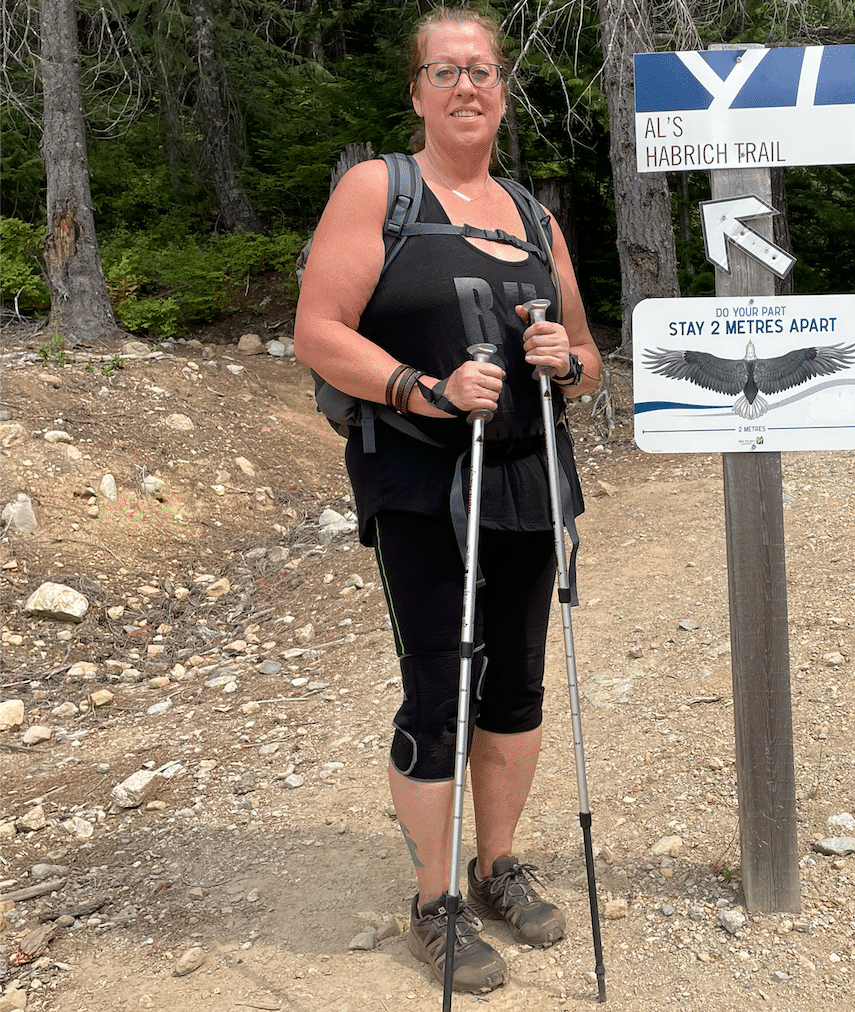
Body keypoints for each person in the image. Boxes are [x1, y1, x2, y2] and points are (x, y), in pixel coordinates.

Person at [294, 6, 600, 994]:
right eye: (444, 71)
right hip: (423, 475)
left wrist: (568, 360)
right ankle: (434, 898)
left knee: (514, 684)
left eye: (480, 70)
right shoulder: (377, 189)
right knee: (440, 690)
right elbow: (319, 329)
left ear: (502, 93)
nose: (465, 86)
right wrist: (419, 389)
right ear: (418, 93)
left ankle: (494, 861)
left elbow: (589, 356)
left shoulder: (531, 212)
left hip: (525, 471)